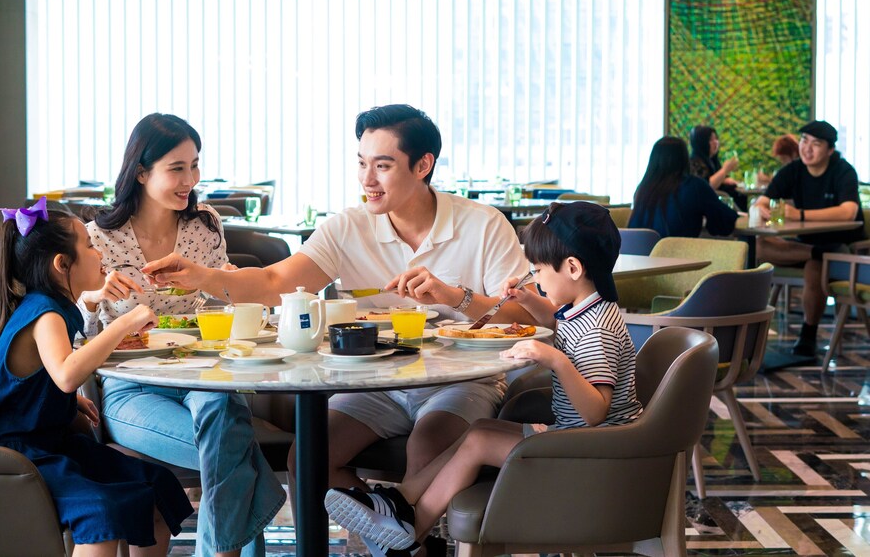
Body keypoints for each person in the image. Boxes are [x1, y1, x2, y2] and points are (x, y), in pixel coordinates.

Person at [140, 104, 558, 496]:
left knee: (426, 451)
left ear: (423, 165)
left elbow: (528, 317)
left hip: (460, 380)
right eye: (361, 163)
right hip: (373, 381)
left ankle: (397, 531)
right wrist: (202, 276)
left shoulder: (483, 225)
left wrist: (455, 297)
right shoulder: (348, 227)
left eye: (382, 166)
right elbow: (273, 281)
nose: (367, 179)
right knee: (308, 460)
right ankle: (386, 528)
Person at [322, 201, 643, 553]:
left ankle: (410, 533)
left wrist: (556, 360)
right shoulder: (586, 309)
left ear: (572, 268)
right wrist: (527, 300)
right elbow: (553, 319)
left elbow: (596, 411)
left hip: (594, 450)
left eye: (538, 270)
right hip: (577, 438)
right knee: (478, 431)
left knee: (479, 443)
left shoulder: (597, 330)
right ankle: (399, 502)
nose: (535, 278)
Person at [79, 113, 285, 557]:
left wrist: (224, 283)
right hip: (132, 387)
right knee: (232, 451)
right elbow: (77, 338)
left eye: (195, 165)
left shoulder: (203, 224)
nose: (190, 180)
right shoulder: (98, 238)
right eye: (177, 168)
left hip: (205, 375)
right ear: (141, 172)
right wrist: (93, 299)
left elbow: (219, 309)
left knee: (225, 428)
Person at [0, 197, 193, 556]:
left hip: (52, 443)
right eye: (89, 245)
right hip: (18, 455)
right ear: (62, 264)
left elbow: (42, 379)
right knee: (102, 510)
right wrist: (123, 323)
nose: (99, 252)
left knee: (158, 486)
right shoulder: (45, 314)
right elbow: (66, 374)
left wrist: (69, 402)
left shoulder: (55, 307)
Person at [755, 120, 866, 358]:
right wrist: (762, 209)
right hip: (807, 245)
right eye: (804, 141)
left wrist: (800, 215)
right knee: (759, 246)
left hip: (841, 246)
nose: (807, 148)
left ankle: (808, 334)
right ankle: (816, 252)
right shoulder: (793, 170)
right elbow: (762, 201)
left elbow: (849, 211)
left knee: (816, 267)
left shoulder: (843, 171)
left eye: (816, 144)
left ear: (830, 150)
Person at [629, 136, 738, 238]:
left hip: (637, 251)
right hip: (679, 251)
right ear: (684, 159)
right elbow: (725, 221)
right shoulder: (694, 186)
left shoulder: (642, 189)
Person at [689, 124, 747, 210]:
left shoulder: (712, 160)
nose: (715, 142)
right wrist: (725, 170)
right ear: (701, 142)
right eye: (710, 140)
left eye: (716, 139)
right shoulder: (695, 162)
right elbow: (706, 187)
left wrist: (726, 180)